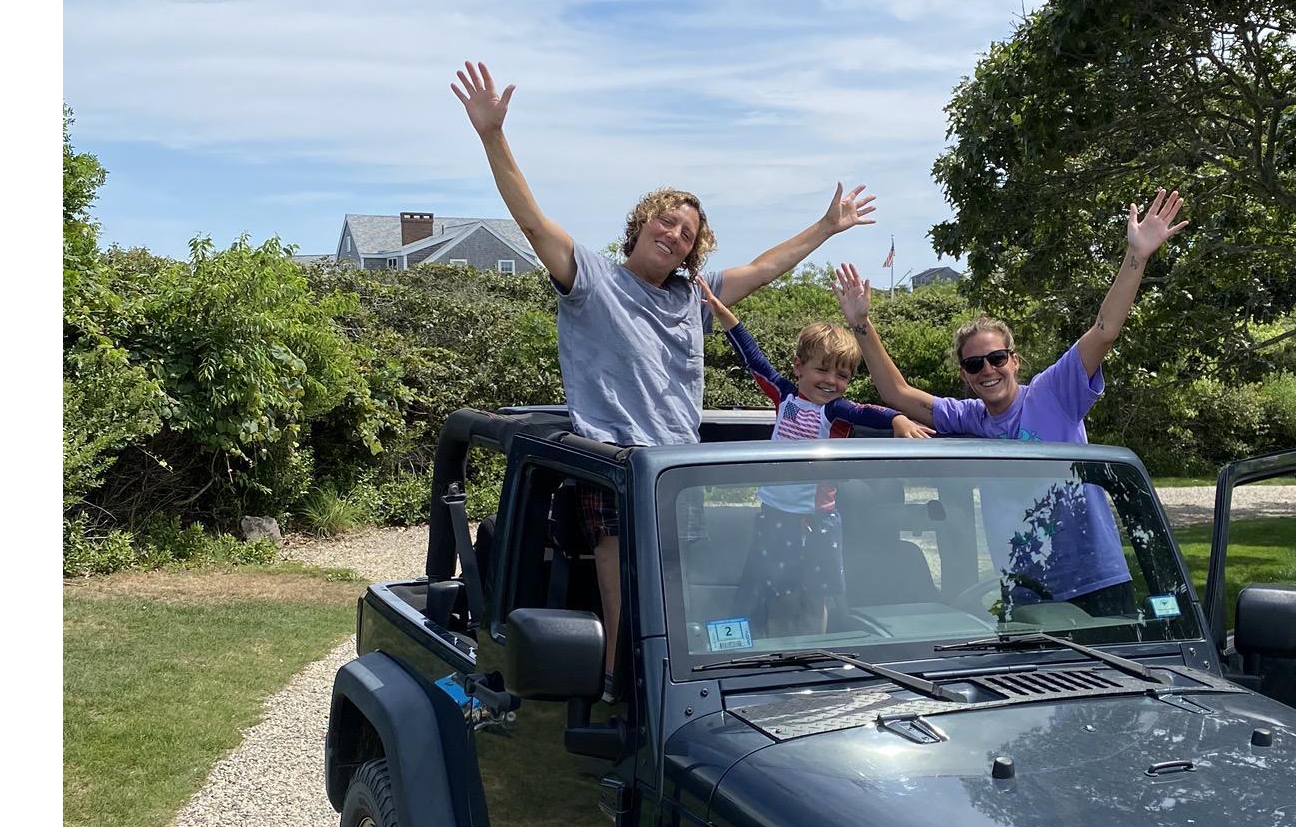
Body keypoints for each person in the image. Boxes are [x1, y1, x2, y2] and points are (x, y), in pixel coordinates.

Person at [451, 59, 877, 678]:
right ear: (641, 224)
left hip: (680, 470)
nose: (674, 233)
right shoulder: (592, 279)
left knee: (679, 603)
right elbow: (531, 221)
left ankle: (689, 694)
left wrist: (827, 227)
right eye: (665, 221)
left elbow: (764, 267)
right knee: (628, 601)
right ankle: (624, 700)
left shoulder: (694, 297)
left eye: (686, 232)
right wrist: (493, 134)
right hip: (615, 463)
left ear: (693, 249)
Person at [833, 189, 1188, 620]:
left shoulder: (1054, 393)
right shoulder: (969, 419)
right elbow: (897, 395)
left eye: (998, 358)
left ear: (1014, 360)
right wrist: (861, 323)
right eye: (974, 363)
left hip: (1097, 582)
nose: (989, 369)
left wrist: (1137, 256)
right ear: (964, 374)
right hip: (1024, 591)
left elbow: (1105, 329)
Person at [696, 278, 931, 637]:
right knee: (777, 595)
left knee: (816, 598)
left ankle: (813, 653)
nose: (831, 381)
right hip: (776, 515)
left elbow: (869, 412)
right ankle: (778, 655)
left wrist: (898, 419)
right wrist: (724, 313)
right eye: (822, 369)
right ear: (798, 367)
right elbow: (752, 358)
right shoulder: (784, 397)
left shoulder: (836, 411)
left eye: (842, 374)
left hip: (820, 520)